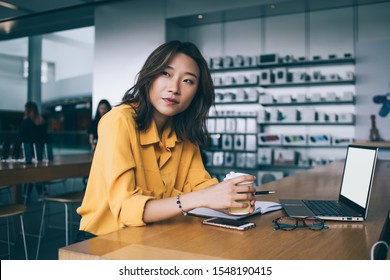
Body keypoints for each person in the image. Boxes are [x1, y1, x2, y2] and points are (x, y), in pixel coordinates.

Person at [76, 41, 256, 239]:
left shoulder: (184, 135)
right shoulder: (119, 120)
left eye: (188, 81)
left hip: (156, 235)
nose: (174, 88)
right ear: (149, 76)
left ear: (196, 93)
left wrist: (230, 199)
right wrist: (202, 198)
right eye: (166, 74)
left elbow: (200, 187)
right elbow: (126, 209)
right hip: (103, 240)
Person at [18, 101, 48, 198]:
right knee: (36, 171)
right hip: (39, 149)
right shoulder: (41, 121)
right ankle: (38, 191)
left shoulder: (26, 122)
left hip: (28, 149)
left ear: (28, 110)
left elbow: (20, 137)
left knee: (31, 172)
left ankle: (30, 193)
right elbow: (44, 136)